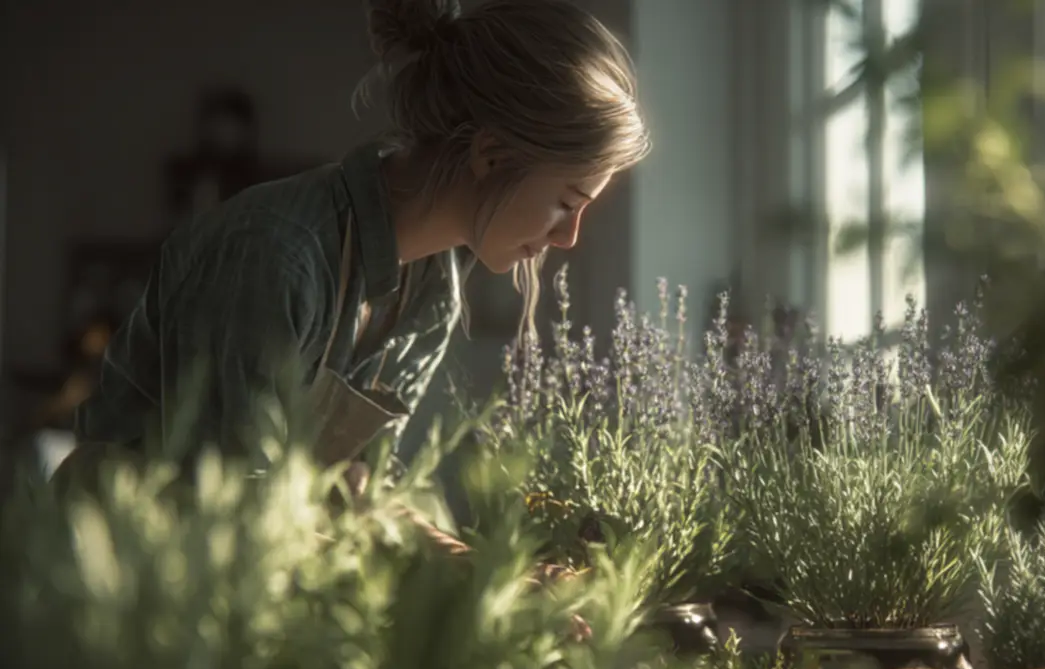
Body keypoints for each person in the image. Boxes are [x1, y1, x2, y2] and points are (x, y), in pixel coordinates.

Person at [57, 0, 651, 494]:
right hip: (116, 596)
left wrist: (490, 571)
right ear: (491, 155)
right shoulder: (275, 257)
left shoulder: (430, 292)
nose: (567, 238)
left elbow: (359, 496)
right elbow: (226, 510)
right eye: (567, 202)